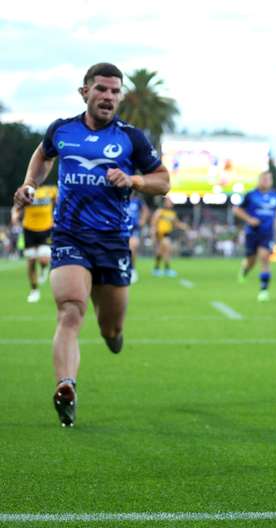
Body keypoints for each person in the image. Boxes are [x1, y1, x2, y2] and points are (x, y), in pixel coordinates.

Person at [12, 62, 170, 427]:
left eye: (115, 91)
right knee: (70, 311)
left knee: (110, 330)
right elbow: (42, 155)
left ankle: (113, 336)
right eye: (101, 89)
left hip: (113, 242)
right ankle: (66, 385)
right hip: (69, 236)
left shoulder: (131, 138)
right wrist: (30, 184)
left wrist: (132, 179)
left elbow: (163, 182)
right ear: (85, 92)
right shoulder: (62, 130)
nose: (108, 97)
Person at [235, 170, 276, 301]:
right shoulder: (251, 195)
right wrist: (249, 219)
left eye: (268, 179)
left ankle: (263, 291)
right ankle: (244, 270)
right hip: (252, 232)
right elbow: (237, 209)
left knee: (264, 258)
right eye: (264, 179)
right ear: (259, 180)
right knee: (251, 261)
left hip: (267, 233)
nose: (266, 181)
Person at [10, 185, 55, 302]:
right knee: (31, 262)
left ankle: (44, 269)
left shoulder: (51, 190)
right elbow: (16, 207)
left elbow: (62, 201)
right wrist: (14, 215)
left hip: (46, 229)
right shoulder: (26, 190)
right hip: (29, 229)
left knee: (44, 260)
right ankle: (34, 290)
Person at [151, 196, 188, 277]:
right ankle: (166, 269)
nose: (170, 203)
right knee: (166, 249)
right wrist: (153, 235)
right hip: (160, 234)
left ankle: (156, 269)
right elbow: (153, 224)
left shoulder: (172, 213)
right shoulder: (159, 212)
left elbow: (176, 223)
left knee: (160, 252)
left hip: (167, 234)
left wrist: (184, 226)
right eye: (169, 201)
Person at [125, 194, 149, 282]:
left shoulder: (137, 201)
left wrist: (142, 220)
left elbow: (145, 210)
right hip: (120, 228)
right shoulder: (119, 198)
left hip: (133, 229)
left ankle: (132, 269)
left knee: (133, 247)